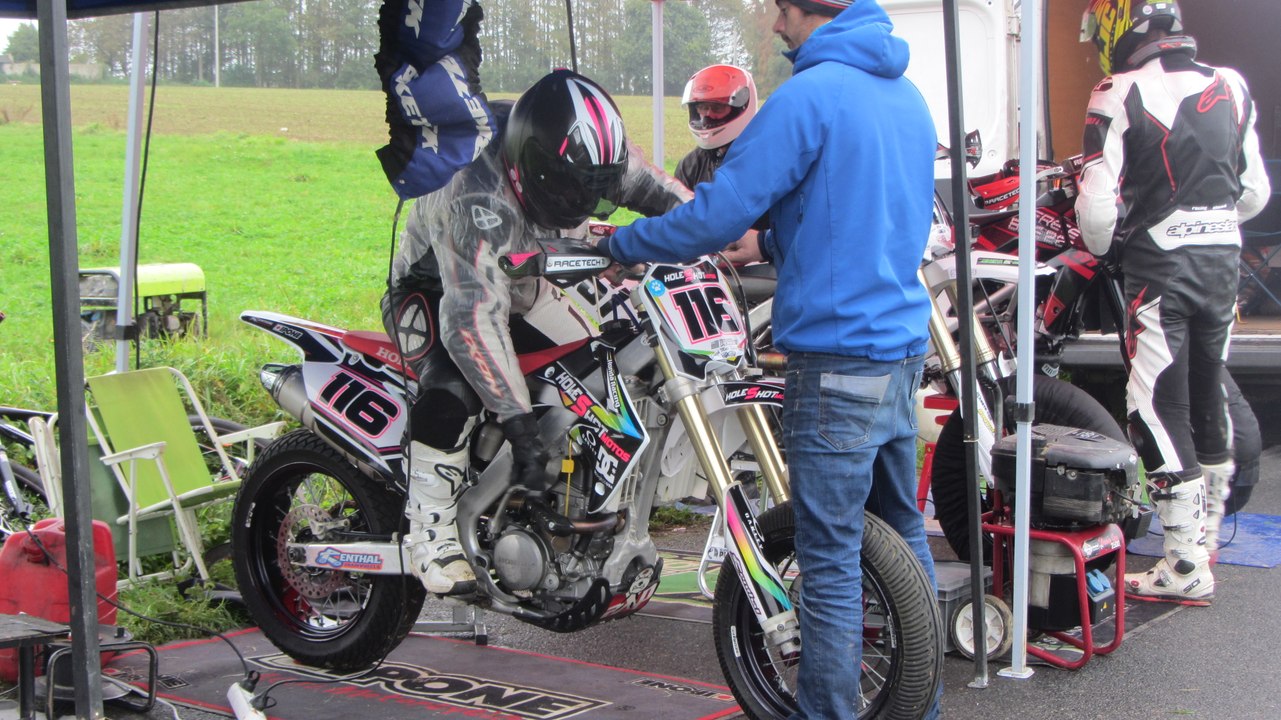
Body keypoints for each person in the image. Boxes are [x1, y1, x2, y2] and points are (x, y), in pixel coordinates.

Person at [601, 1, 940, 717]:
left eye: (777, 10)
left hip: (834, 353)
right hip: (900, 348)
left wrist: (618, 245)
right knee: (902, 545)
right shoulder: (905, 94)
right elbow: (871, 217)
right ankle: (920, 707)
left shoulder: (807, 97)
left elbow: (713, 216)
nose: (774, 26)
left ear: (801, 9)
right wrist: (772, 243)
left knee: (829, 558)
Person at [384, 69, 691, 596]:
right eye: (566, 190)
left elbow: (670, 196)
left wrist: (720, 230)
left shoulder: (593, 158)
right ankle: (429, 531)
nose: (578, 202)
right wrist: (519, 425)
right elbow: (472, 322)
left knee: (590, 368)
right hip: (435, 290)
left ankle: (551, 507)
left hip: (522, 282)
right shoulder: (475, 194)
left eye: (592, 191)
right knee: (454, 386)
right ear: (532, 166)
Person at [1077, 0, 1270, 603]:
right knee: (1207, 391)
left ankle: (1185, 564)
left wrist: (1118, 243)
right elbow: (1254, 192)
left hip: (1161, 267)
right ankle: (1201, 546)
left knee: (1153, 406)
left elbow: (1096, 213)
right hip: (1223, 260)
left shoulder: (1117, 91)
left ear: (1119, 26)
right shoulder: (1231, 84)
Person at [675, 63, 768, 264]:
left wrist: (764, 244)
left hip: (764, 269)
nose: (707, 115)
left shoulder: (767, 161)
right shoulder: (690, 165)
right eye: (702, 107)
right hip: (705, 269)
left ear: (739, 107)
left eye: (717, 108)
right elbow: (676, 222)